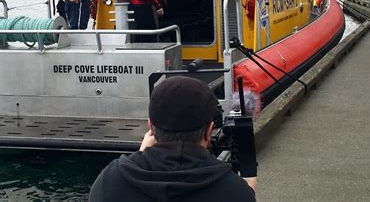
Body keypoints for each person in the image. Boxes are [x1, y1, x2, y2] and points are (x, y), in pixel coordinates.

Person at [89, 76, 257, 202]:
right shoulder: (234, 192)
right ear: (208, 131)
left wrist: (140, 156)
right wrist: (249, 184)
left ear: (150, 126)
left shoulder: (109, 182)